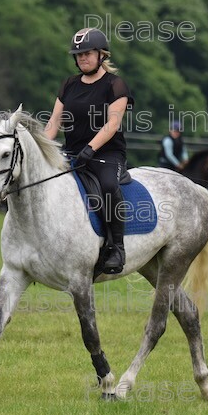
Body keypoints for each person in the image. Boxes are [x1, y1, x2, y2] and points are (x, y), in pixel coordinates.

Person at [44, 28, 133, 274]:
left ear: (101, 55)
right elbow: (53, 123)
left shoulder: (115, 85)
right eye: (78, 54)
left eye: (87, 53)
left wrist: (91, 148)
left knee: (107, 187)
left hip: (106, 154)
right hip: (72, 153)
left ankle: (116, 248)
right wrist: (41, 149)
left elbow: (112, 124)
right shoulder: (69, 85)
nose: (82, 58)